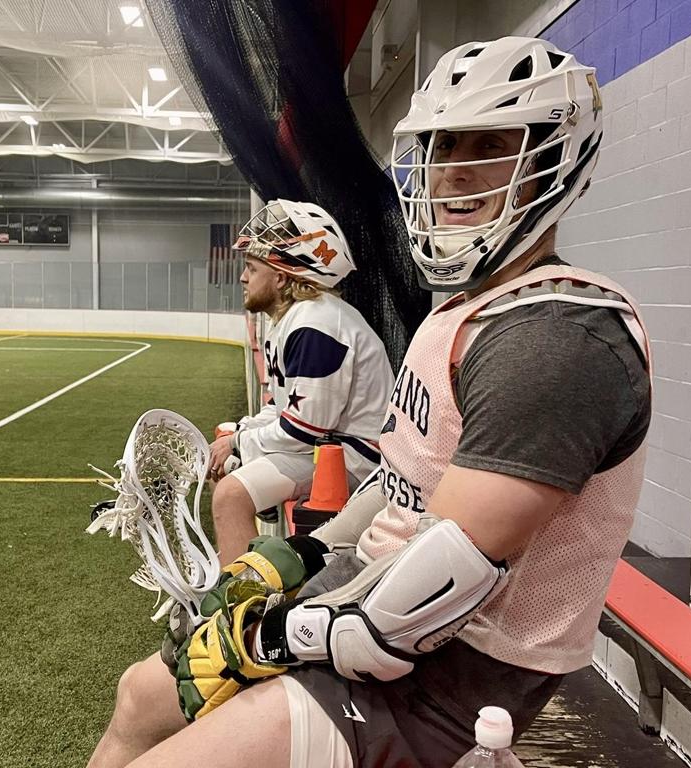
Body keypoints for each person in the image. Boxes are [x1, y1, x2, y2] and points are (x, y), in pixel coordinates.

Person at [87, 37, 651, 768]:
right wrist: (300, 553)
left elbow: (438, 585)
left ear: (554, 159)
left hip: (449, 671)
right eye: (444, 147)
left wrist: (266, 637)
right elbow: (400, 483)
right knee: (140, 697)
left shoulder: (556, 338)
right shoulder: (462, 313)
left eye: (490, 145)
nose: (453, 171)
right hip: (367, 603)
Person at [206, 199, 394, 564]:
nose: (243, 278)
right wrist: (239, 433)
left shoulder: (315, 324)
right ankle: (241, 561)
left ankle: (244, 594)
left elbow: (304, 430)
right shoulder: (298, 319)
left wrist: (240, 442)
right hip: (332, 448)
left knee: (230, 495)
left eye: (252, 268)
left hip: (357, 461)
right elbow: (282, 409)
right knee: (227, 453)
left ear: (281, 277)